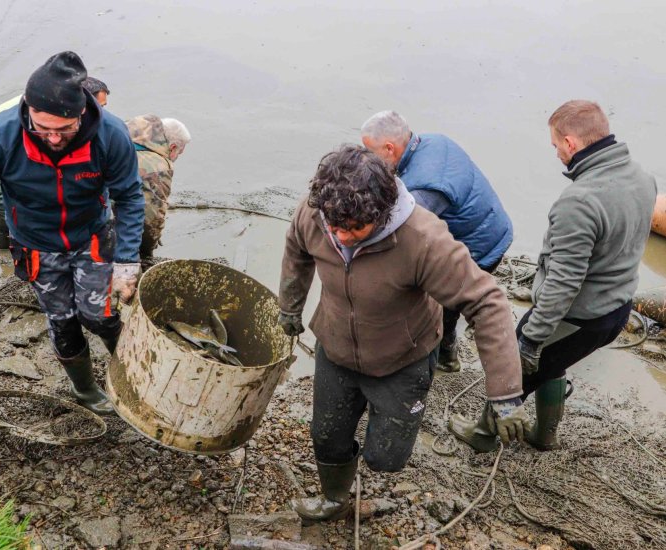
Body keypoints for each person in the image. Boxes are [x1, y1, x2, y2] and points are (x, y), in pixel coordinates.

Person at [278, 145, 528, 521]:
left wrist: (505, 395)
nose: (342, 236)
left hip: (403, 358)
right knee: (327, 437)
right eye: (335, 226)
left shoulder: (424, 239)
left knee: (386, 457)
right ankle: (334, 499)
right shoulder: (316, 213)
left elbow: (487, 302)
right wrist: (289, 308)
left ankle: (379, 459)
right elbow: (296, 250)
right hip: (337, 346)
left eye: (354, 229)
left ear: (381, 214)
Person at [0, 51, 144, 415]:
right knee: (62, 321)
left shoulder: (111, 135)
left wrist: (128, 261)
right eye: (42, 128)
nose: (54, 138)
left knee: (100, 315)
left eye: (64, 129)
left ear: (82, 112)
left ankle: (131, 373)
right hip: (35, 243)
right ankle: (86, 390)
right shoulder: (1, 135)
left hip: (90, 235)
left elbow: (128, 196)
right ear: (28, 109)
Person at [450, 100, 656, 452]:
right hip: (618, 308)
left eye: (556, 144)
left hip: (578, 316)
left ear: (572, 143)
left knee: (515, 365)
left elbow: (563, 284)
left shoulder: (579, 202)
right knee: (555, 362)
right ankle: (544, 436)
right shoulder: (641, 178)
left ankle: (483, 435)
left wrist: (531, 339)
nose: (556, 152)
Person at [361, 112, 513, 372]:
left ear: (389, 148)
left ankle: (438, 360)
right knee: (447, 308)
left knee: (434, 310)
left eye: (369, 152)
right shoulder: (432, 141)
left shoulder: (425, 188)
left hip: (479, 248)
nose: (366, 159)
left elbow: (400, 235)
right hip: (494, 227)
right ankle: (447, 353)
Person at [0, 77, 112, 249]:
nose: (102, 113)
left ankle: (2, 246)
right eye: (99, 107)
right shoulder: (48, 119)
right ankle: (30, 262)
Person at [125, 115, 191, 259]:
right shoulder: (158, 167)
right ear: (172, 147)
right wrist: (147, 251)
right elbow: (151, 218)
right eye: (178, 153)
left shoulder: (120, 131)